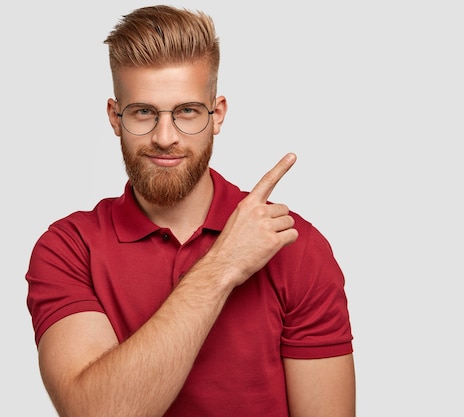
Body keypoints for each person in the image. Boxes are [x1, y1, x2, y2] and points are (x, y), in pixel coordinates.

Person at [25, 5, 355, 417]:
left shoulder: (293, 245)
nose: (165, 138)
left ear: (217, 115)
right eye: (144, 112)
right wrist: (224, 265)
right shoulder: (69, 249)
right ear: (115, 117)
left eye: (187, 112)